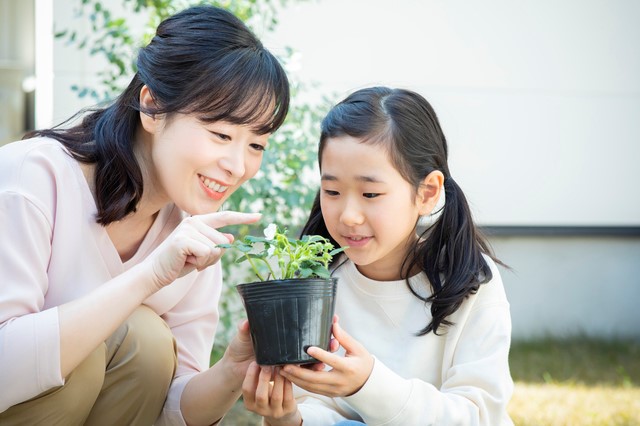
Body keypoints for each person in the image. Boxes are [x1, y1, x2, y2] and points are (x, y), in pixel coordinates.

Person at [0, 5, 289, 425]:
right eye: (221, 134)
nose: (237, 165)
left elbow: (170, 409)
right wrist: (151, 275)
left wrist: (233, 369)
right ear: (152, 106)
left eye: (256, 145)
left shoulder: (193, 230)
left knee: (150, 345)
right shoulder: (31, 176)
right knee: (100, 346)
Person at [242, 87, 513, 425]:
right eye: (332, 191)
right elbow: (314, 406)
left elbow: (478, 416)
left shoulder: (470, 280)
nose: (348, 215)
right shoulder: (316, 279)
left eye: (371, 193)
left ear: (427, 192)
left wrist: (369, 384)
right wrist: (287, 419)